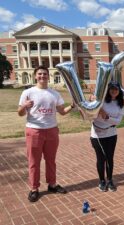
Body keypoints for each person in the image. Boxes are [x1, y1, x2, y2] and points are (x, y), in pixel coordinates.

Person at [18, 65, 74, 202]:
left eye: (45, 74)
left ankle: (52, 184)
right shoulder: (28, 92)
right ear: (35, 76)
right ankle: (34, 188)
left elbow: (62, 112)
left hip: (52, 130)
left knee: (51, 160)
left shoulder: (54, 94)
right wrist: (25, 106)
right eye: (40, 74)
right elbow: (20, 113)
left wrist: (73, 106)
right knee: (34, 161)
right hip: (34, 130)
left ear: (48, 76)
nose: (42, 76)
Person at [90, 81, 124, 192]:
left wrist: (106, 117)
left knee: (109, 158)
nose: (113, 91)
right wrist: (92, 102)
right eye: (111, 88)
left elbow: (118, 121)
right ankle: (101, 181)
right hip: (97, 134)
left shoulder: (121, 103)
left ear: (119, 91)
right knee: (101, 159)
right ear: (108, 90)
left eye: (116, 89)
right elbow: (92, 114)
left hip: (111, 134)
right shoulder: (100, 101)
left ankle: (109, 180)